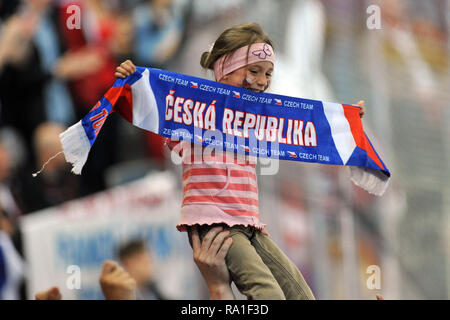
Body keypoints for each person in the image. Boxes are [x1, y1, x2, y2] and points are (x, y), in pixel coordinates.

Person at [115, 22, 366, 300]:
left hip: (248, 223)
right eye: (254, 71)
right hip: (215, 224)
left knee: (301, 295)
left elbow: (306, 127)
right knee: (269, 296)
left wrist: (345, 122)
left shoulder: (255, 119)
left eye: (268, 73)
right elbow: (159, 111)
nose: (262, 81)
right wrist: (133, 84)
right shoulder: (197, 111)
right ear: (223, 68)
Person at [35, 226, 234, 300]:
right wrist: (217, 285)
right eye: (144, 258)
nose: (150, 263)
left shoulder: (156, 291)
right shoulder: (115, 292)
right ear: (128, 263)